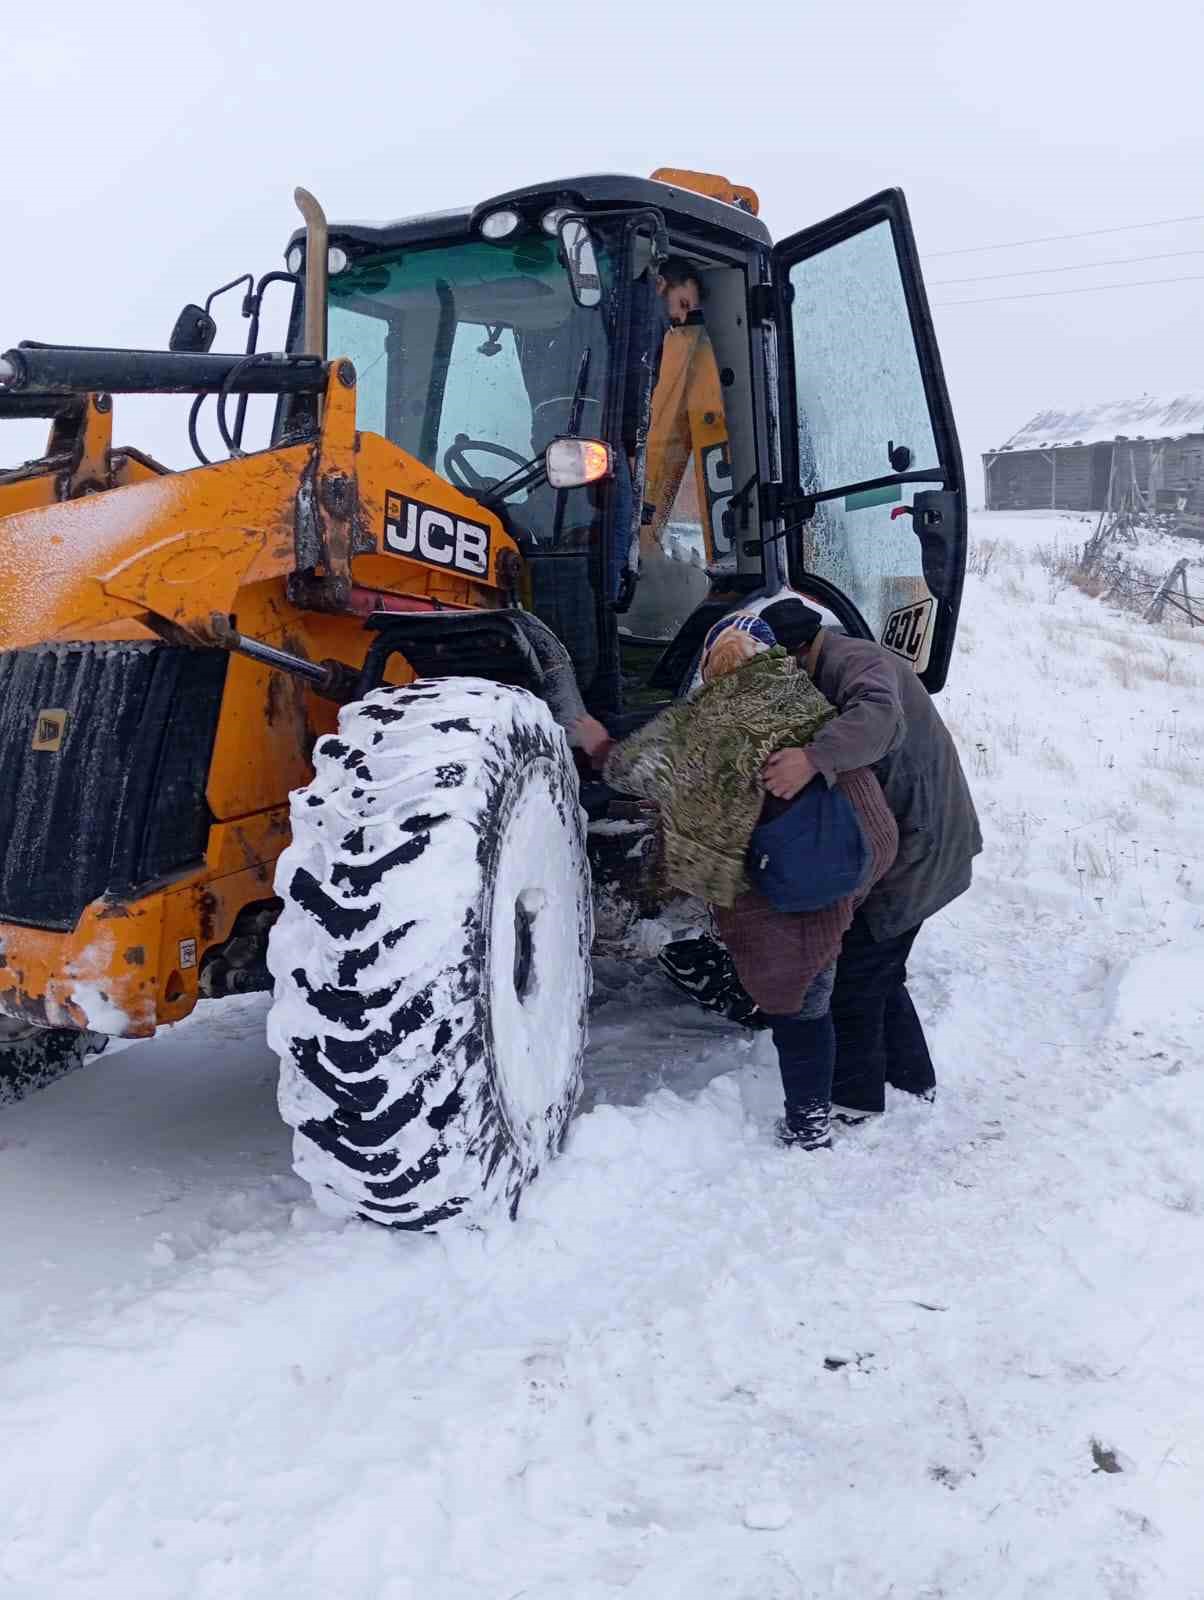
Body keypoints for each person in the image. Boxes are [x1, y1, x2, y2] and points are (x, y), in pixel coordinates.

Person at [595, 613, 898, 1151]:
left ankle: (808, 1128)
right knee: (837, 955)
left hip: (809, 863)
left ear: (712, 670)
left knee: (799, 995)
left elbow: (640, 771)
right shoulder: (798, 687)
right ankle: (897, 1081)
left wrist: (599, 746)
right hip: (865, 837)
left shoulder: (711, 720)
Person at [751, 596, 983, 1120]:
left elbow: (880, 717)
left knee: (857, 975)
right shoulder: (826, 662)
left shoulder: (858, 662)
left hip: (922, 843)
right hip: (916, 841)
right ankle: (912, 1078)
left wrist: (813, 759)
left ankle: (854, 1103)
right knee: (881, 968)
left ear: (797, 651)